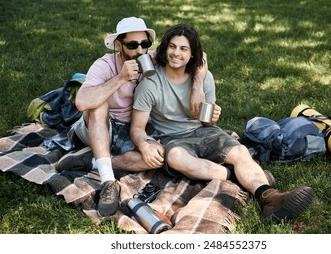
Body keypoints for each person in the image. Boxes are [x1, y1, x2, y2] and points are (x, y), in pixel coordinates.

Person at [130, 24, 315, 223]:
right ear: (165, 49)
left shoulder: (204, 77)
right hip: (173, 139)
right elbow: (137, 128)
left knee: (240, 152)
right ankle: (236, 175)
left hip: (203, 131)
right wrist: (144, 145)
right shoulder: (150, 83)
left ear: (193, 54)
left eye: (184, 49)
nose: (176, 53)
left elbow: (205, 120)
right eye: (172, 47)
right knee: (175, 158)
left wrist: (201, 88)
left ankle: (269, 197)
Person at [56, 17, 207, 217]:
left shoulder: (150, 58)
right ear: (118, 45)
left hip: (132, 129)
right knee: (98, 106)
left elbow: (200, 55)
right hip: (100, 126)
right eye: (132, 45)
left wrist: (197, 87)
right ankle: (109, 181)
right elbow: (82, 102)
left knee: (158, 157)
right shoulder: (104, 65)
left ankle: (92, 161)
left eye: (145, 44)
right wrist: (121, 78)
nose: (139, 50)